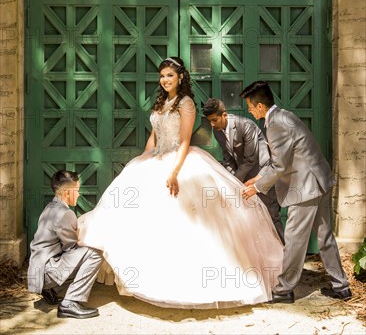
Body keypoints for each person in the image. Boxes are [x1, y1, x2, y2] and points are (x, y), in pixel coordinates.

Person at [78, 58, 283, 309]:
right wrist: (141, 161)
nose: (165, 80)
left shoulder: (186, 104)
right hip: (156, 159)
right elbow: (153, 139)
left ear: (181, 78)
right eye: (162, 76)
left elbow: (185, 141)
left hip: (180, 161)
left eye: (170, 76)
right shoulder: (161, 102)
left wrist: (174, 172)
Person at [240, 80, 351, 303]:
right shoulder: (282, 116)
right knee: (324, 236)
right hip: (319, 180)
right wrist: (259, 177)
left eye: (250, 107)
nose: (250, 111)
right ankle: (342, 287)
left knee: (294, 239)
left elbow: (280, 166)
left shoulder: (275, 125)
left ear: (260, 106)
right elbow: (280, 160)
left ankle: (284, 290)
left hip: (306, 187)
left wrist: (257, 188)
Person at [202, 98, 284, 243]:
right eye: (210, 121)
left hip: (262, 174)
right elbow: (228, 159)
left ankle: (287, 258)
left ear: (224, 115)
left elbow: (250, 160)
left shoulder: (246, 126)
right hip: (244, 179)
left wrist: (233, 182)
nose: (212, 124)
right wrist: (227, 179)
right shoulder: (217, 131)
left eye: (214, 120)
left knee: (272, 218)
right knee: (251, 220)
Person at [28, 170, 103, 319]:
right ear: (68, 192)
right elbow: (71, 248)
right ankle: (71, 302)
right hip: (47, 272)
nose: (79, 194)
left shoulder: (50, 207)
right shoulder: (65, 213)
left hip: (36, 272)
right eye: (78, 190)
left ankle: (50, 291)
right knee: (95, 253)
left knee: (81, 254)